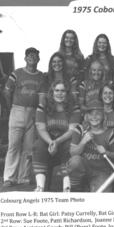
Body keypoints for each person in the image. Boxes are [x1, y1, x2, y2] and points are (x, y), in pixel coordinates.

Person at [3, 47, 45, 187]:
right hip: (17, 110)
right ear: (25, 58)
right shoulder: (17, 73)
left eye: (35, 56)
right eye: (29, 55)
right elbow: (7, 92)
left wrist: (38, 114)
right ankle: (9, 177)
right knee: (13, 146)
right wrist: (11, 108)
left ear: (39, 59)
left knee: (28, 147)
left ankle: (23, 177)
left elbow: (42, 98)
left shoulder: (41, 76)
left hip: (33, 112)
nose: (32, 58)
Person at [32, 80, 80, 192]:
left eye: (63, 91)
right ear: (52, 92)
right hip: (47, 139)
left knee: (69, 145)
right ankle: (40, 187)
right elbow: (41, 128)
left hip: (65, 139)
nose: (60, 93)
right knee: (38, 145)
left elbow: (72, 130)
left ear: (67, 93)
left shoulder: (74, 107)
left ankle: (66, 187)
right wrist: (51, 142)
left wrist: (57, 142)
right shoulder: (42, 106)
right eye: (57, 90)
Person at [67, 100, 114, 192]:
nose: (94, 117)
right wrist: (83, 141)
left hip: (101, 171)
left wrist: (106, 152)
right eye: (91, 114)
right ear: (86, 116)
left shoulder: (109, 132)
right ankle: (76, 188)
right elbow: (72, 153)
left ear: (103, 116)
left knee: (101, 200)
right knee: (75, 161)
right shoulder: (80, 129)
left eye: (98, 114)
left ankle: (91, 187)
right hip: (84, 168)